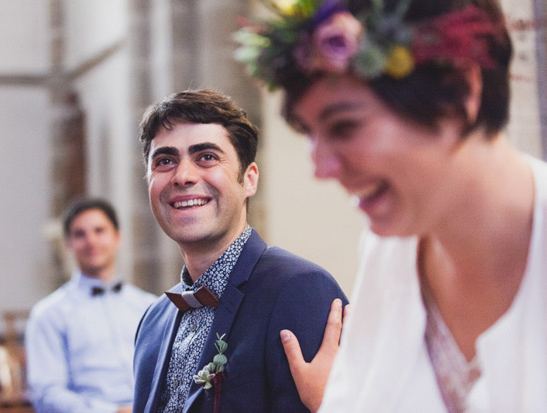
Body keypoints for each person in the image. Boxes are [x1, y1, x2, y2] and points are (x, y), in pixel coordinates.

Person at [235, 0, 547, 411]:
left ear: (459, 90)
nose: (321, 169)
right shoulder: (389, 252)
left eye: (345, 125)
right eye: (310, 133)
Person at [131, 89, 349, 412]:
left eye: (206, 156)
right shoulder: (153, 321)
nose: (183, 176)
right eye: (165, 161)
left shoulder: (300, 290)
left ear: (248, 180)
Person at [25, 197, 156, 413]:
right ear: (68, 243)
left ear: (117, 237)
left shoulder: (149, 306)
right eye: (80, 234)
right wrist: (112, 412)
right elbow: (46, 394)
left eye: (99, 230)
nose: (91, 241)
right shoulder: (48, 314)